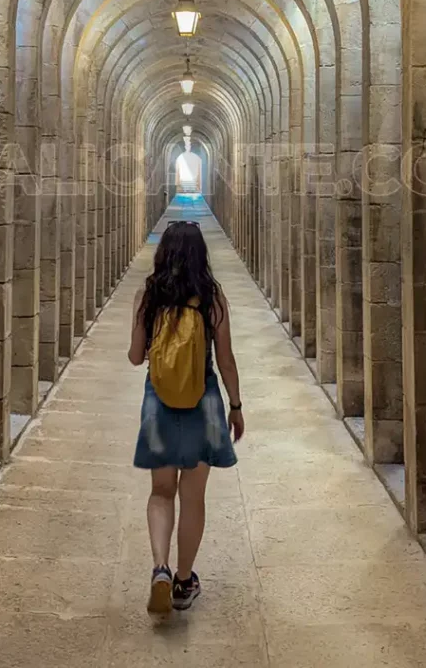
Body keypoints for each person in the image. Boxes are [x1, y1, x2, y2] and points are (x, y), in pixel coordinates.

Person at [128, 220, 245, 615]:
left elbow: (134, 356)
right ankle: (183, 581)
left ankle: (159, 567)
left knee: (161, 491)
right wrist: (236, 404)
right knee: (193, 497)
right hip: (204, 400)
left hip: (159, 400)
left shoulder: (149, 295)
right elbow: (225, 359)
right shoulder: (212, 297)